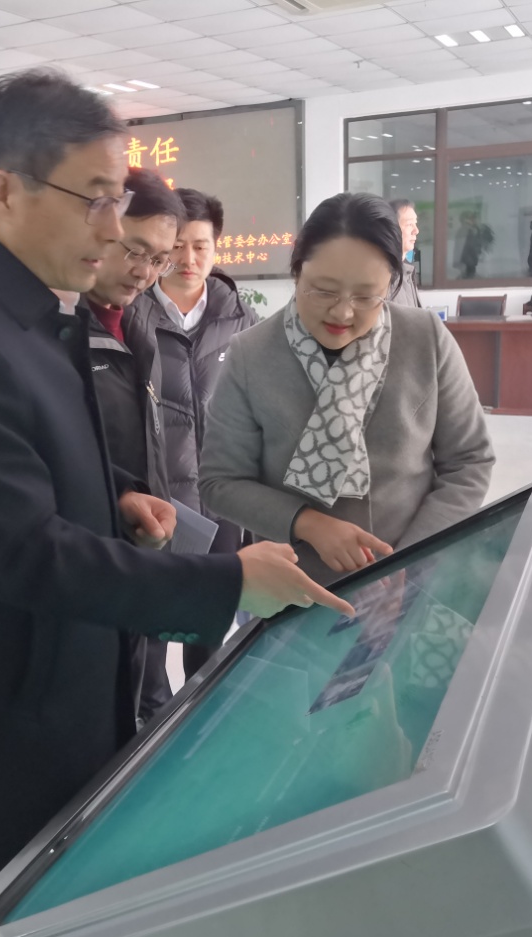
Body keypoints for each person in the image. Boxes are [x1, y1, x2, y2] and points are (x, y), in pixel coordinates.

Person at [0, 68, 349, 930]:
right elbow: (23, 553)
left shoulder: (29, 310)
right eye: (93, 199)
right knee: (11, 914)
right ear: (4, 191)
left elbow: (39, 465)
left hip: (77, 690)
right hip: (6, 727)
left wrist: (120, 499)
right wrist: (227, 581)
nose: (110, 226)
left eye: (116, 199)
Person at [200, 192, 495, 587]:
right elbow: (221, 482)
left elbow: (469, 461)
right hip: (297, 586)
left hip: (414, 578)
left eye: (365, 296)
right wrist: (308, 523)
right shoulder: (251, 354)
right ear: (297, 270)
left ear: (390, 284)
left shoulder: (425, 339)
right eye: (323, 290)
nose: (342, 312)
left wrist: (410, 561)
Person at [124, 187, 259, 683]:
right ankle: (153, 721)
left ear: (216, 247)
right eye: (177, 246)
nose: (188, 259)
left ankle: (204, 715)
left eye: (201, 246)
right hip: (162, 503)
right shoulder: (132, 316)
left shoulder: (241, 319)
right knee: (154, 634)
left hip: (222, 504)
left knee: (210, 632)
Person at [82, 165, 184, 723]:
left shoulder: (138, 318)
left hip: (148, 541)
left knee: (151, 691)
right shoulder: (61, 328)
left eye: (159, 259)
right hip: (94, 553)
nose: (144, 272)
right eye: (135, 251)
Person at [387, 197, 421, 308]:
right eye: (409, 224)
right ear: (391, 228)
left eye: (415, 223)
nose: (416, 231)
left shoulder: (407, 273)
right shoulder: (383, 278)